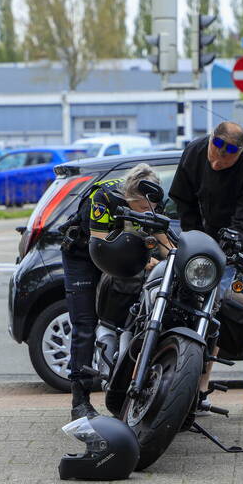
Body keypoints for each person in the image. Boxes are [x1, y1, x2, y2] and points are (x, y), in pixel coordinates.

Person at [168, 121, 243, 422]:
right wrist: (197, 237)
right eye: (213, 155)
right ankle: (199, 392)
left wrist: (235, 239)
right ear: (210, 142)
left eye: (226, 160)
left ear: (241, 152)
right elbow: (183, 198)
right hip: (211, 235)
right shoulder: (194, 152)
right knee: (207, 308)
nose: (217, 163)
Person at [59, 163, 169, 423]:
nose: (148, 212)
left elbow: (162, 236)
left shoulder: (153, 199)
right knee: (85, 323)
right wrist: (142, 262)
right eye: (142, 208)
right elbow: (102, 249)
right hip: (86, 254)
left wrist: (179, 259)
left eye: (152, 206)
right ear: (130, 198)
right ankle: (80, 401)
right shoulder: (105, 198)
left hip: (124, 253)